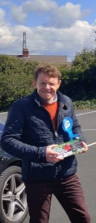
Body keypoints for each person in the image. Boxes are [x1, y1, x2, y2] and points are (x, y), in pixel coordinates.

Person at [1, 64, 90, 223]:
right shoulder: (21, 107)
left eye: (51, 83)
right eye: (43, 83)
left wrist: (80, 140)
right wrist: (42, 153)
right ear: (35, 83)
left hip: (66, 172)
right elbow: (8, 141)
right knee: (39, 221)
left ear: (59, 84)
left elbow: (74, 125)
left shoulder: (66, 102)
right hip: (37, 176)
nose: (47, 87)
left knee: (82, 218)